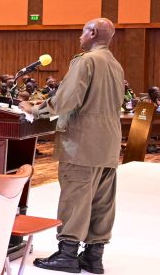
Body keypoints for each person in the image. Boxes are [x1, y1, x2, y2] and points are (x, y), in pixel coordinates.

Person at [21, 18, 123, 274]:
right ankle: (93, 256)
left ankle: (67, 253)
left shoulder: (86, 61)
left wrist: (36, 109)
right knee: (101, 201)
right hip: (108, 142)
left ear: (92, 33)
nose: (79, 37)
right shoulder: (114, 64)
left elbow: (67, 99)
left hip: (83, 142)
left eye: (82, 32)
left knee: (75, 197)